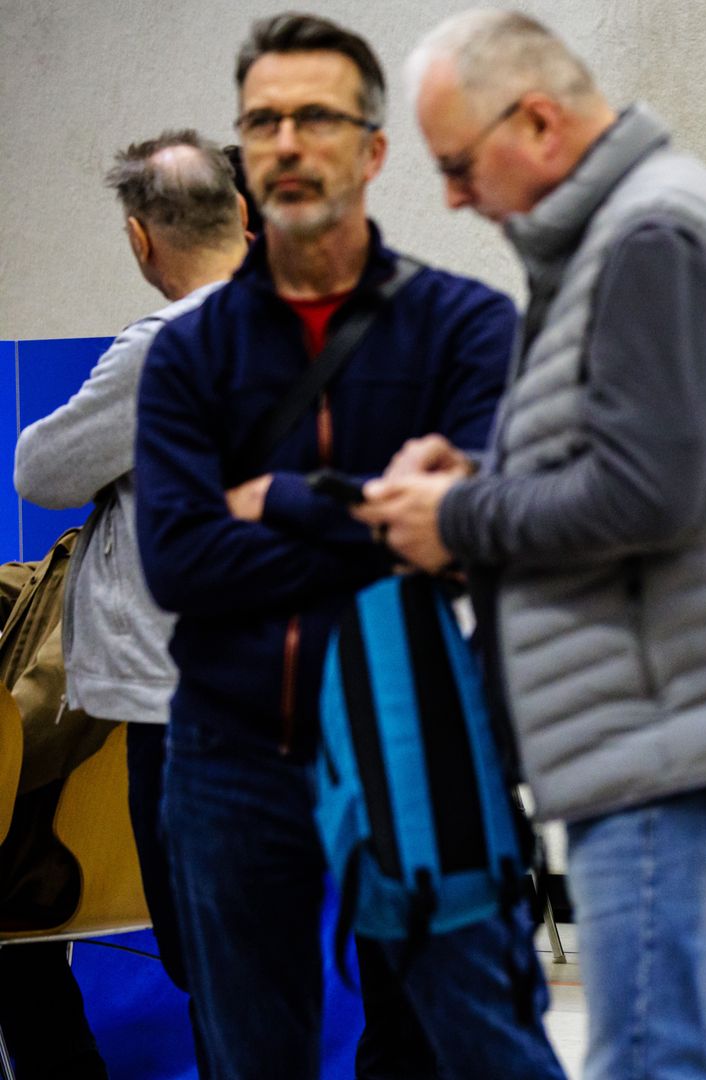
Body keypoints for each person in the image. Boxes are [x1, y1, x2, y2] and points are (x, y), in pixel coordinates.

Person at [363, 10, 706, 1077]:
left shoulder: (649, 235)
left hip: (676, 720)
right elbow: (640, 465)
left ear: (537, 120)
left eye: (459, 164)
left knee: (649, 1055)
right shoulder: (619, 236)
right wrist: (483, 485)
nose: (452, 198)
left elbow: (646, 494)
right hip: (662, 710)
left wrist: (458, 520)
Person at [132, 13, 563, 1080]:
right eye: (263, 119)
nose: (288, 140)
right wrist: (382, 523)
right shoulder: (189, 357)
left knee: (470, 1048)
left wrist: (272, 496)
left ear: (372, 149)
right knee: (249, 1055)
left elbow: (478, 530)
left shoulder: (463, 327)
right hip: (229, 751)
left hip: (415, 726)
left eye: (316, 116)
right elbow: (178, 562)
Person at [9, 129, 249, 1080]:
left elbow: (42, 469)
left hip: (183, 706)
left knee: (215, 962)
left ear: (147, 238)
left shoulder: (168, 349)